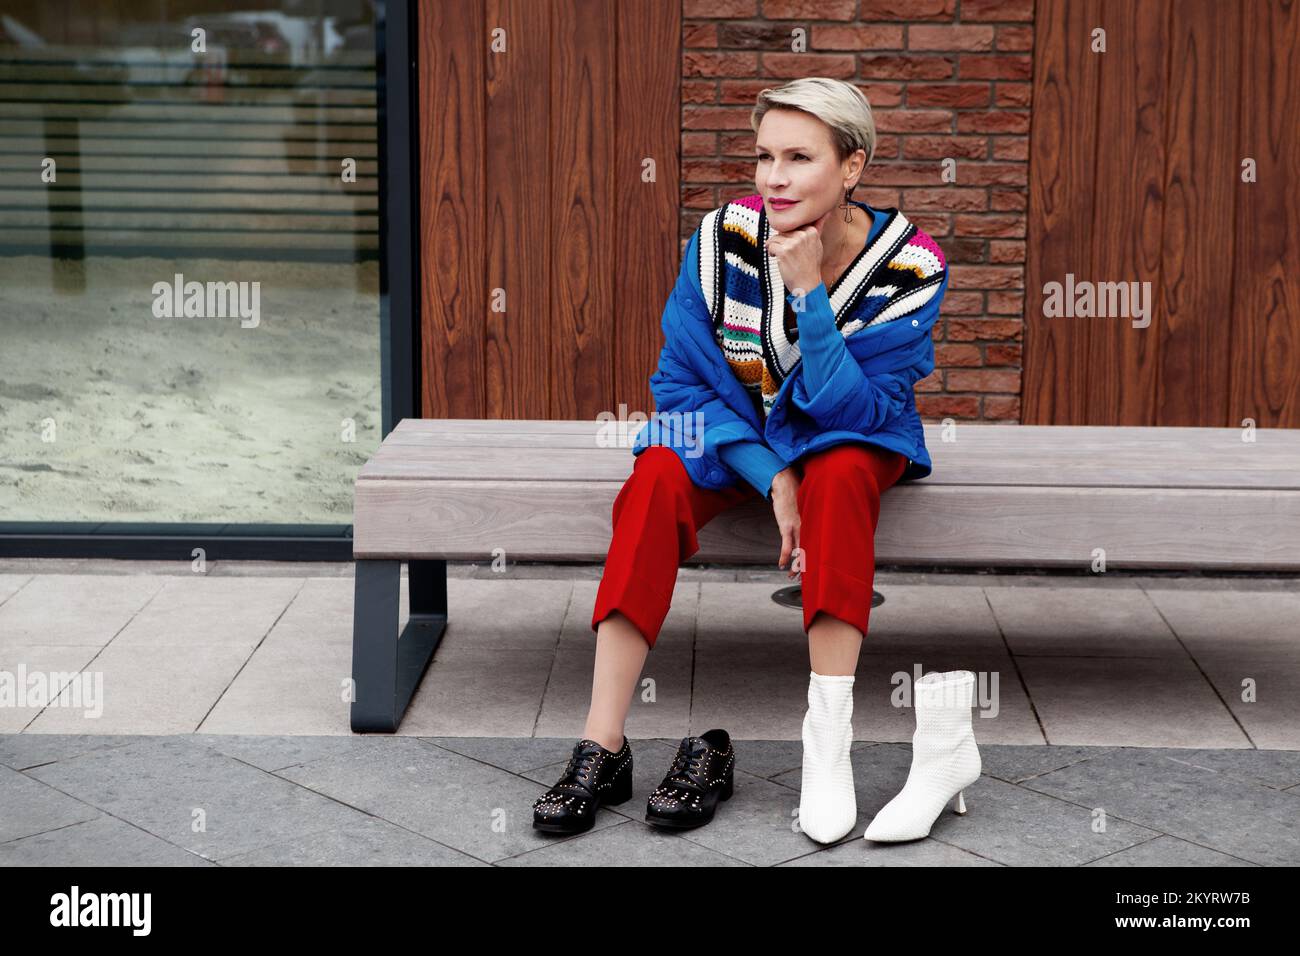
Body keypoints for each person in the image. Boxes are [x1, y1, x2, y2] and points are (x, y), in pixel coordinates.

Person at [532, 77, 980, 844]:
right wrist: (770, 472)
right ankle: (601, 746)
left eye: (800, 157)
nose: (774, 177)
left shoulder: (913, 268)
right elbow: (678, 381)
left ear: (852, 167)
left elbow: (856, 410)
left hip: (851, 438)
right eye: (764, 156)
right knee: (653, 481)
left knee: (838, 474)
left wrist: (810, 292)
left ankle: (827, 745)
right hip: (733, 434)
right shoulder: (720, 240)